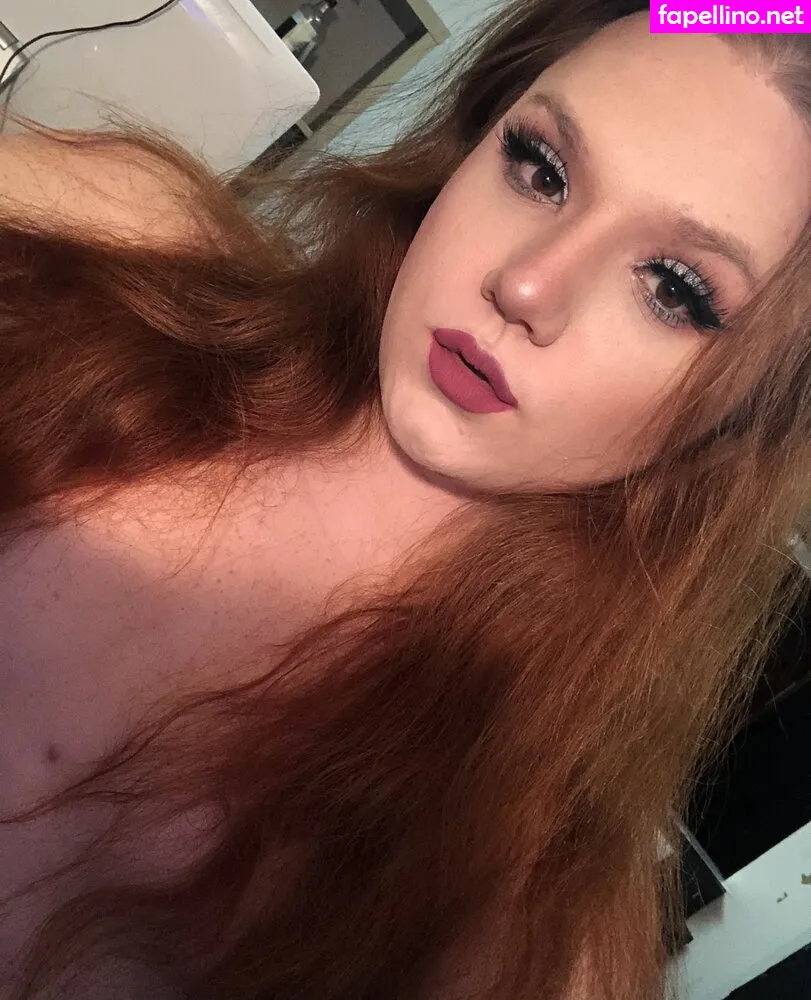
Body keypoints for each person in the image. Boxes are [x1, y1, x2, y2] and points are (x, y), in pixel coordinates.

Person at [0, 1, 809, 997]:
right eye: (540, 168)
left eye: (674, 289)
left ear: (742, 419)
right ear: (472, 138)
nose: (526, 285)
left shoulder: (516, 928)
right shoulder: (104, 239)